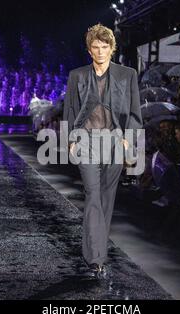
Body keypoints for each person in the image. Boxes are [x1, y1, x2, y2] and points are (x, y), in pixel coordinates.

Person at [63, 23, 142, 278]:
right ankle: (95, 258)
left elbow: (135, 113)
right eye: (95, 47)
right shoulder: (77, 75)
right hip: (86, 140)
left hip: (114, 143)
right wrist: (71, 141)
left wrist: (129, 141)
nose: (100, 51)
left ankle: (98, 254)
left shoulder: (127, 74)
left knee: (106, 200)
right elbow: (70, 111)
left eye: (104, 47)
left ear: (112, 48)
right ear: (89, 49)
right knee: (93, 195)